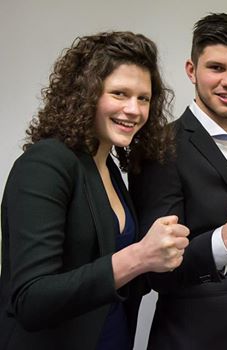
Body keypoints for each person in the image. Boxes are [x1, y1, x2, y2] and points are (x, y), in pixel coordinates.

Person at [0, 31, 190, 350]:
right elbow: (31, 300)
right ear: (86, 94)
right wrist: (139, 256)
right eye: (119, 93)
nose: (134, 110)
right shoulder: (46, 163)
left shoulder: (109, 168)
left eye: (143, 98)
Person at [129, 13, 227, 350]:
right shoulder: (161, 147)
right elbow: (157, 273)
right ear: (191, 70)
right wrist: (225, 240)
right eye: (216, 68)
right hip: (194, 340)